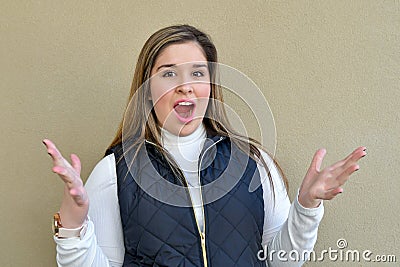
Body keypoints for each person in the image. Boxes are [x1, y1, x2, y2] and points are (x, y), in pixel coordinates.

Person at [43, 24, 366, 266]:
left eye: (197, 73)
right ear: (147, 88)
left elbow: (282, 260)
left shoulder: (253, 161)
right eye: (169, 74)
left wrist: (307, 206)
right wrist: (72, 225)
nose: (185, 87)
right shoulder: (115, 171)